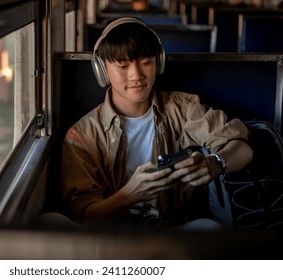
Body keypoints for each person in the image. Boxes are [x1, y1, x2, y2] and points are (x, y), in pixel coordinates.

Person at [60, 17, 253, 231]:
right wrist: (128, 196)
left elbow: (241, 145)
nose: (137, 75)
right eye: (123, 65)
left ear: (158, 62)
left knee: (209, 227)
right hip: (108, 238)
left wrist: (215, 163)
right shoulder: (81, 135)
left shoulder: (182, 108)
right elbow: (83, 216)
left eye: (146, 62)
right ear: (102, 70)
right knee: (51, 221)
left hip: (168, 231)